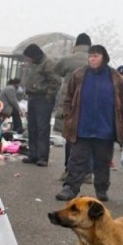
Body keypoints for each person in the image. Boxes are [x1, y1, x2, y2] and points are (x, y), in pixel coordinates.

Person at [56, 45, 123, 202]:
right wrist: (67, 114)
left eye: (96, 56)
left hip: (105, 130)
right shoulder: (79, 74)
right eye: (90, 55)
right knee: (77, 160)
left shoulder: (115, 77)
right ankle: (70, 188)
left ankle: (101, 189)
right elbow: (68, 96)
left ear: (104, 57)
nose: (92, 58)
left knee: (103, 163)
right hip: (82, 128)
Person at [54, 32, 91, 178]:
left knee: (70, 137)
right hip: (89, 104)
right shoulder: (94, 59)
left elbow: (57, 71)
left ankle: (69, 170)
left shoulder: (68, 59)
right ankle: (88, 173)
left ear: (76, 45)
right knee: (88, 140)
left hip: (70, 104)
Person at [21, 43, 61, 167]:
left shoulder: (48, 63)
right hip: (33, 97)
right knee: (32, 126)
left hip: (43, 98)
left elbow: (55, 81)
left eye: (29, 57)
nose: (28, 60)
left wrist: (49, 96)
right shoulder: (35, 64)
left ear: (35, 55)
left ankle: (42, 157)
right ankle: (33, 154)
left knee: (42, 128)